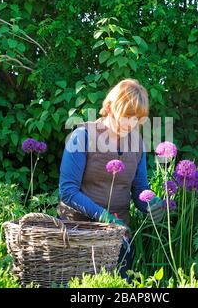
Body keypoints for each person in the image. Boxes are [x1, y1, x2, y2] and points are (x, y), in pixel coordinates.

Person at [57, 78, 165, 281]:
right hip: (79, 235)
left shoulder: (137, 144)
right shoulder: (82, 136)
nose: (131, 124)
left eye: (137, 119)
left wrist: (153, 205)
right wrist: (105, 217)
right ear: (109, 107)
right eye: (127, 116)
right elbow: (68, 191)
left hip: (118, 238)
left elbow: (139, 188)